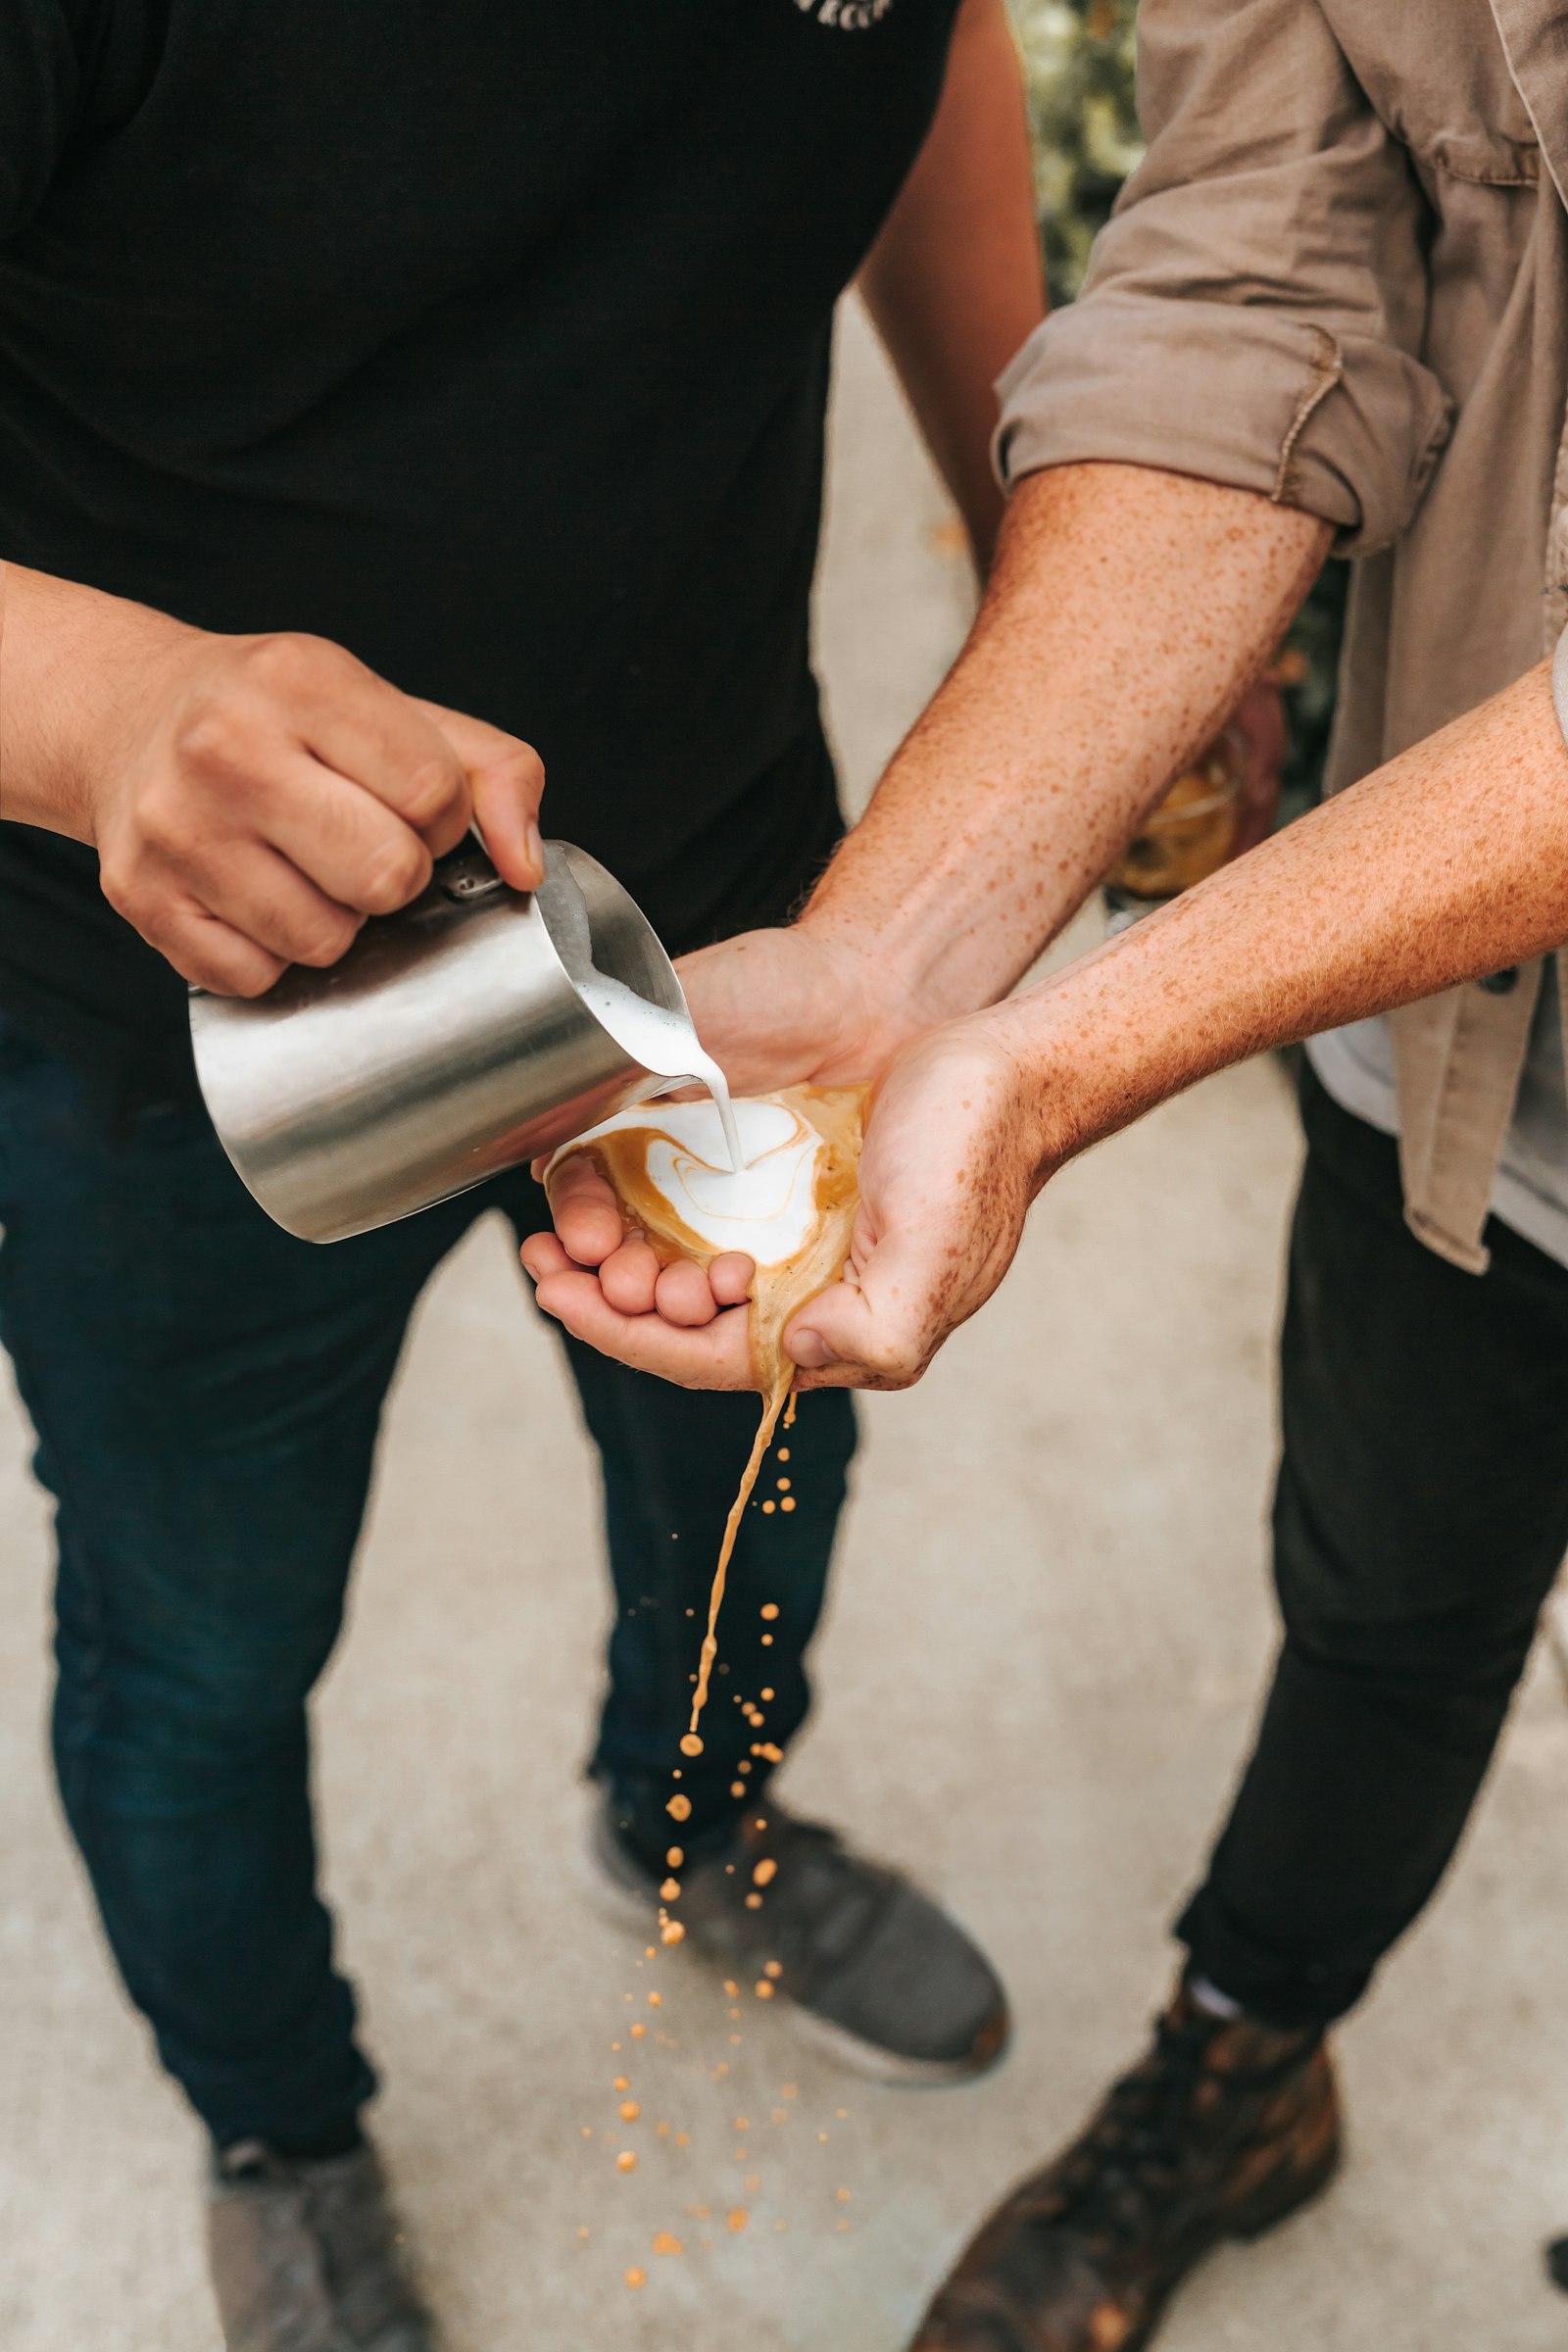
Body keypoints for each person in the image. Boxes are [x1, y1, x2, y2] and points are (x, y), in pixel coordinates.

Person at [0, 3, 1047, 2342]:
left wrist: (1034, 505)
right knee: (199, 1640)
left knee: (752, 1465)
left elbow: (927, 48)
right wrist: (94, 711)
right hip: (170, 1014)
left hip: (719, 905)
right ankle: (275, 2113)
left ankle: (694, 1827)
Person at [526, 4, 1568, 2344]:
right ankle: (1244, 2058)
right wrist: (903, 954)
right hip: (1469, 1056)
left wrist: (1072, 1046)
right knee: (1386, 1605)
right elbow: (1247, 283)